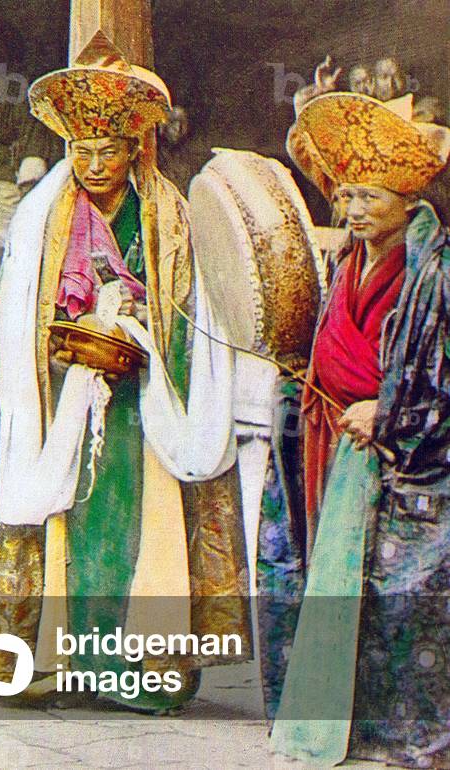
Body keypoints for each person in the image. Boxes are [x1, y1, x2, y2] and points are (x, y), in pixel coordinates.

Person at [0, 31, 250, 712]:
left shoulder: (165, 215)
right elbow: (14, 316)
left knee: (143, 524)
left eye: (107, 151)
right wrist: (56, 346)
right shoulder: (43, 220)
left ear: (133, 150)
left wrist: (142, 332)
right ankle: (58, 663)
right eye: (81, 150)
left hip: (143, 400)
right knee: (67, 522)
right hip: (65, 393)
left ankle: (140, 673)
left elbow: (193, 308)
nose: (93, 164)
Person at [271, 87, 450, 768]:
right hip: (335, 438)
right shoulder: (347, 261)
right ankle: (352, 726)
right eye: (344, 197)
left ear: (406, 203)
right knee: (338, 583)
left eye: (368, 198)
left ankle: (413, 736)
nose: (351, 211)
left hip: (400, 452)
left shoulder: (431, 270)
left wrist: (390, 410)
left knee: (402, 598)